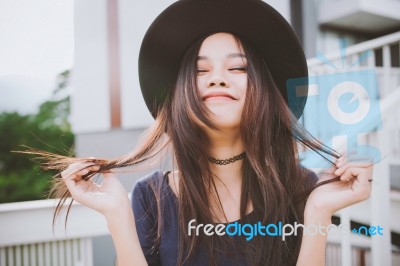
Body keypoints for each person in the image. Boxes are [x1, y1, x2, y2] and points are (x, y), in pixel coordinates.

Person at [40, 0, 373, 265]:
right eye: (201, 70)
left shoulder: (302, 189)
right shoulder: (149, 197)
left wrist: (318, 213)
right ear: (181, 94)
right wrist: (117, 215)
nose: (216, 78)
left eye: (238, 67)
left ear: (265, 91)